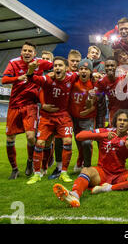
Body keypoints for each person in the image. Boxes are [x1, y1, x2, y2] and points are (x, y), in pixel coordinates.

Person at [52, 109, 128, 208]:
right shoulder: (105, 131)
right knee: (86, 170)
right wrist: (102, 135)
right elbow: (79, 136)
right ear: (115, 121)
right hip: (102, 173)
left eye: (125, 120)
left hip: (119, 175)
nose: (122, 123)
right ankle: (74, 195)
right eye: (120, 120)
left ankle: (109, 188)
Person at [1, 41, 53, 180]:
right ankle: (14, 169)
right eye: (25, 50)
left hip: (30, 105)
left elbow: (56, 65)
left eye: (30, 51)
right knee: (10, 138)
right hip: (14, 105)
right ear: (21, 51)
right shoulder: (13, 63)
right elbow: (4, 80)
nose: (27, 53)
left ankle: (30, 161)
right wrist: (18, 78)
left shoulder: (39, 63)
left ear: (35, 53)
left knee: (31, 136)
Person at [25, 56, 78, 184]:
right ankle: (37, 173)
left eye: (60, 65)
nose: (57, 68)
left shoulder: (71, 77)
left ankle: (63, 172)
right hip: (46, 117)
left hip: (63, 116)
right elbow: (32, 79)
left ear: (66, 68)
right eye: (55, 66)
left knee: (67, 141)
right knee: (41, 143)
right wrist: (30, 71)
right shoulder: (47, 79)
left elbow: (84, 73)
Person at [48, 50, 82, 180]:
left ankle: (81, 163)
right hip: (63, 113)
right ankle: (59, 166)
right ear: (68, 61)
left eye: (77, 61)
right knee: (59, 140)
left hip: (79, 113)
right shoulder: (59, 74)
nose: (75, 63)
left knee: (80, 140)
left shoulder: (81, 75)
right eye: (72, 61)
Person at [70, 59, 97, 172]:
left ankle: (87, 166)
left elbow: (98, 103)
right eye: (81, 69)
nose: (83, 71)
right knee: (79, 143)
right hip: (74, 117)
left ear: (90, 71)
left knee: (86, 142)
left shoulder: (94, 83)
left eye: (86, 69)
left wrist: (90, 108)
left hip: (88, 118)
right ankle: (80, 161)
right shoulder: (73, 81)